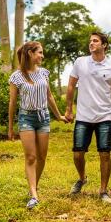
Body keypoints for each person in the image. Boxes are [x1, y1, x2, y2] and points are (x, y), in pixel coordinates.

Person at [64, 31, 111, 203]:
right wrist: (69, 109)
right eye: (90, 41)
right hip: (83, 116)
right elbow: (70, 85)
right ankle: (82, 178)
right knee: (77, 153)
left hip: (104, 116)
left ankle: (103, 191)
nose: (91, 43)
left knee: (104, 153)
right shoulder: (80, 62)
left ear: (104, 45)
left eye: (95, 41)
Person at [8, 41, 67, 209]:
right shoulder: (16, 76)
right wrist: (11, 127)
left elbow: (49, 97)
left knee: (41, 157)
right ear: (30, 54)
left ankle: (34, 186)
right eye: (39, 52)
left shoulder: (43, 73)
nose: (42, 56)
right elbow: (12, 103)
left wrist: (59, 116)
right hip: (26, 117)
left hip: (44, 117)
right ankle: (34, 195)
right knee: (31, 157)